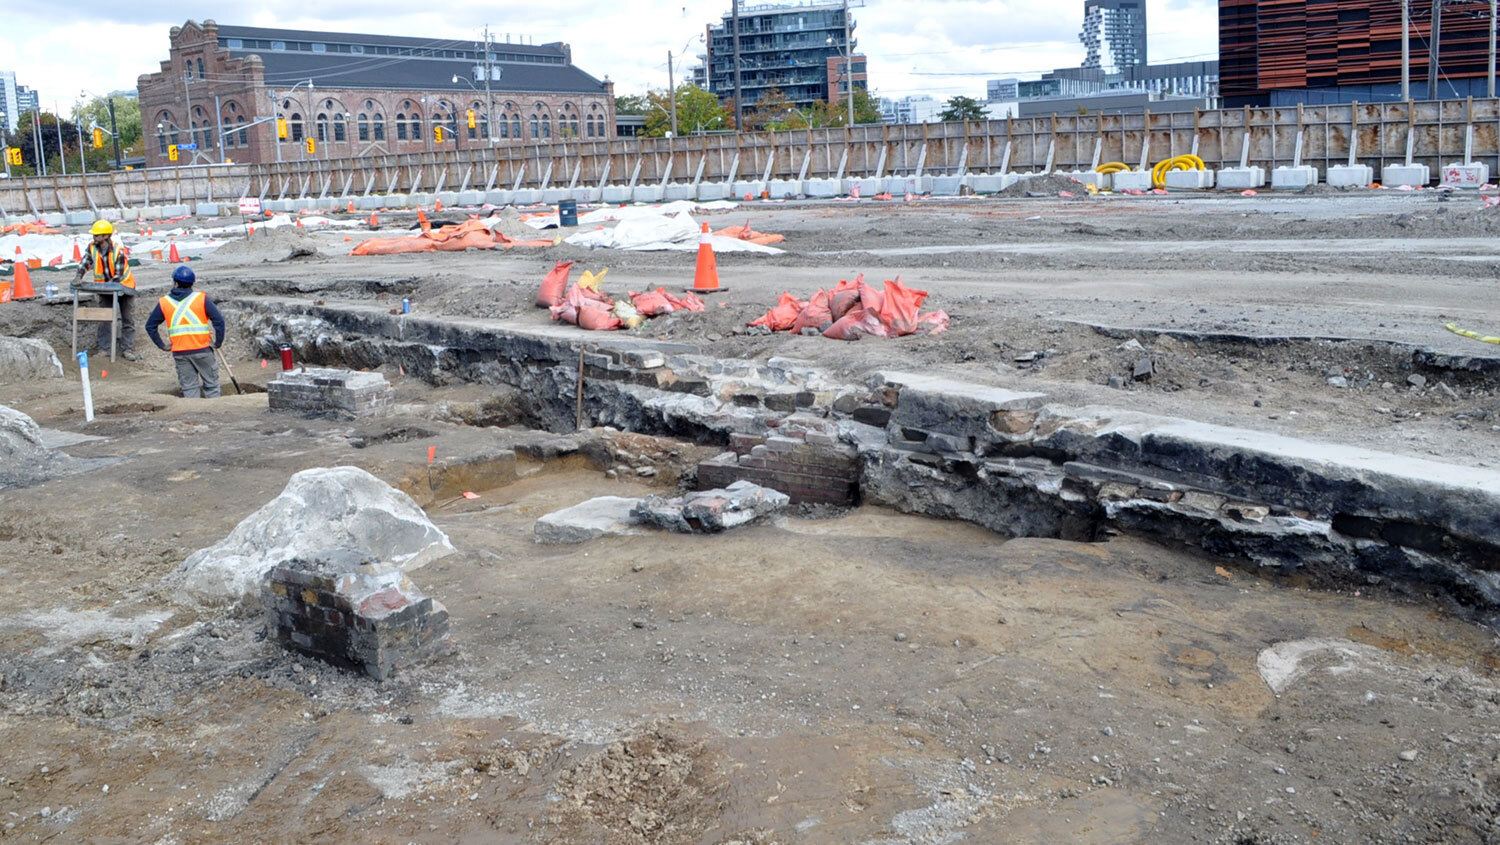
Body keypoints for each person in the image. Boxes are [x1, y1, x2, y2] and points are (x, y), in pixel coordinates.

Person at [145, 265, 226, 399]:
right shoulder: (201, 298)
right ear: (192, 283)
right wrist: (218, 342)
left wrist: (162, 345)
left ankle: (192, 412)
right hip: (203, 350)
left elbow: (150, 326)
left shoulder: (164, 302)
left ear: (175, 283)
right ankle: (214, 411)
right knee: (212, 387)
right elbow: (219, 321)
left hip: (180, 353)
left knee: (189, 389)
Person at [73, 220, 140, 360]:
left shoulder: (117, 250)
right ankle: (104, 349)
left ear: (106, 236)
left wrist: (108, 286)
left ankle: (128, 349)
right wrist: (79, 275)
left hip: (125, 287)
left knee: (127, 319)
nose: (94, 237)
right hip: (105, 288)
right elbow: (85, 262)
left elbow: (118, 274)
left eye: (97, 235)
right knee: (104, 319)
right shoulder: (92, 247)